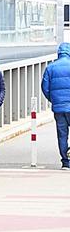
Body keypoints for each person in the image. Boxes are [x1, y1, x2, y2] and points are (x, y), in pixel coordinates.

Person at [39, 42, 70, 170]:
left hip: (58, 108)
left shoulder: (50, 68)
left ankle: (66, 161)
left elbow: (45, 88)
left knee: (62, 135)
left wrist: (54, 100)